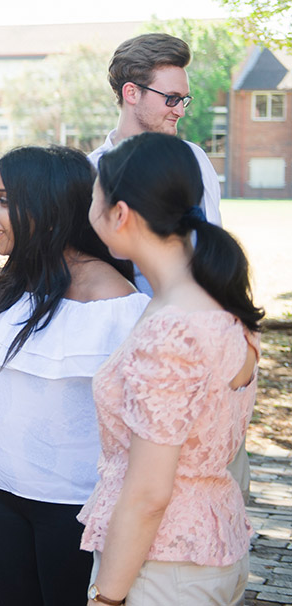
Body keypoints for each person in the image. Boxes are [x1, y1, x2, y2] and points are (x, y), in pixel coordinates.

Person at [80, 132, 262, 606]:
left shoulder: (173, 328)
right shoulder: (221, 297)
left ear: (120, 214)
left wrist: (108, 597)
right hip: (208, 551)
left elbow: (148, 493)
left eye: (93, 199)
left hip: (162, 568)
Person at [0, 146, 147, 606]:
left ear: (48, 210)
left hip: (76, 512)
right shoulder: (4, 289)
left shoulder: (120, 310)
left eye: (4, 199)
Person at [88, 32, 222, 296]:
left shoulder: (193, 158)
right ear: (131, 93)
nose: (180, 111)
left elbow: (212, 247)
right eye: (171, 98)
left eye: (183, 99)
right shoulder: (88, 170)